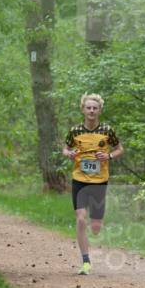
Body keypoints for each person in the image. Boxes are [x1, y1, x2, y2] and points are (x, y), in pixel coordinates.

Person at [62, 93, 123, 275]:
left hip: (99, 181)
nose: (91, 110)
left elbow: (120, 149)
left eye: (94, 108)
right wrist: (69, 153)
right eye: (88, 107)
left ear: (99, 111)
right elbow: (65, 148)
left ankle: (94, 228)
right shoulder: (75, 131)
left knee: (96, 228)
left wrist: (109, 155)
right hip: (79, 180)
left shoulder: (107, 131)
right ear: (83, 109)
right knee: (81, 218)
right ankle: (86, 261)